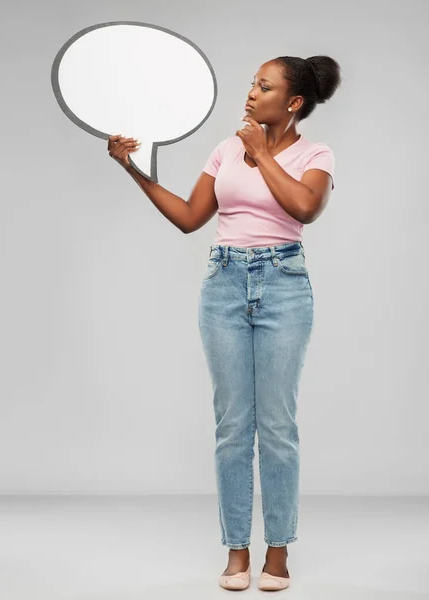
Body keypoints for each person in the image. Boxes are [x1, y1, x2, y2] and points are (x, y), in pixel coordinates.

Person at [107, 54, 341, 592]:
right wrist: (132, 168)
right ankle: (237, 551)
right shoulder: (224, 149)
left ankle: (277, 552)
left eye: (264, 87)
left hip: (283, 284)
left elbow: (305, 208)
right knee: (233, 427)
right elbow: (191, 218)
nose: (251, 94)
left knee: (277, 427)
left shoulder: (316, 153)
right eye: (252, 85)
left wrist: (262, 154)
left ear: (294, 102)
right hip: (224, 284)